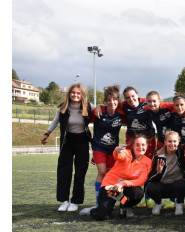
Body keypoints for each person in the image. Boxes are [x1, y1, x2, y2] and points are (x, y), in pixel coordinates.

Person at [40, 83, 93, 212]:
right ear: (69, 94)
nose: (75, 95)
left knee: (80, 172)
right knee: (64, 172)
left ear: (82, 95)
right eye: (73, 92)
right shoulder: (63, 108)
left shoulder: (89, 107)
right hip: (67, 141)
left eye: (78, 93)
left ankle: (75, 201)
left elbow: (101, 111)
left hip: (82, 141)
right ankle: (64, 201)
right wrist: (47, 134)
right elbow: (55, 121)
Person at [80, 85, 126, 216]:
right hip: (99, 147)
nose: (112, 102)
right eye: (109, 100)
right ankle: (98, 202)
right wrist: (97, 107)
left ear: (118, 101)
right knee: (102, 171)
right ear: (105, 101)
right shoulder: (98, 112)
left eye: (114, 100)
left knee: (110, 175)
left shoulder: (121, 114)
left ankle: (108, 202)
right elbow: (84, 116)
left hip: (113, 150)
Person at [89, 135, 152, 220]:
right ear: (133, 146)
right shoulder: (126, 153)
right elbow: (118, 155)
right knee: (102, 216)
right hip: (111, 186)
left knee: (137, 193)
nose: (140, 147)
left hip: (125, 187)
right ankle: (93, 210)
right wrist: (116, 151)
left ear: (147, 146)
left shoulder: (148, 162)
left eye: (143, 145)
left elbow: (141, 181)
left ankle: (125, 205)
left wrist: (122, 184)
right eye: (137, 145)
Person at [145, 131, 185, 216]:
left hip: (177, 184)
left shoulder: (182, 151)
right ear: (165, 142)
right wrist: (159, 172)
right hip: (163, 185)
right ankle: (158, 203)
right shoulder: (159, 154)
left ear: (179, 141)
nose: (172, 144)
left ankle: (179, 203)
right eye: (169, 141)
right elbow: (152, 177)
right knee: (150, 187)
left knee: (184, 184)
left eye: (175, 141)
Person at [121, 86, 156, 159]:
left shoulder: (146, 103)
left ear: (137, 95)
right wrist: (99, 106)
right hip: (132, 138)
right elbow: (110, 106)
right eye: (127, 97)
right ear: (125, 99)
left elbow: (160, 104)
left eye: (133, 96)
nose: (131, 99)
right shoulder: (124, 106)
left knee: (147, 161)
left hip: (148, 138)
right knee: (131, 160)